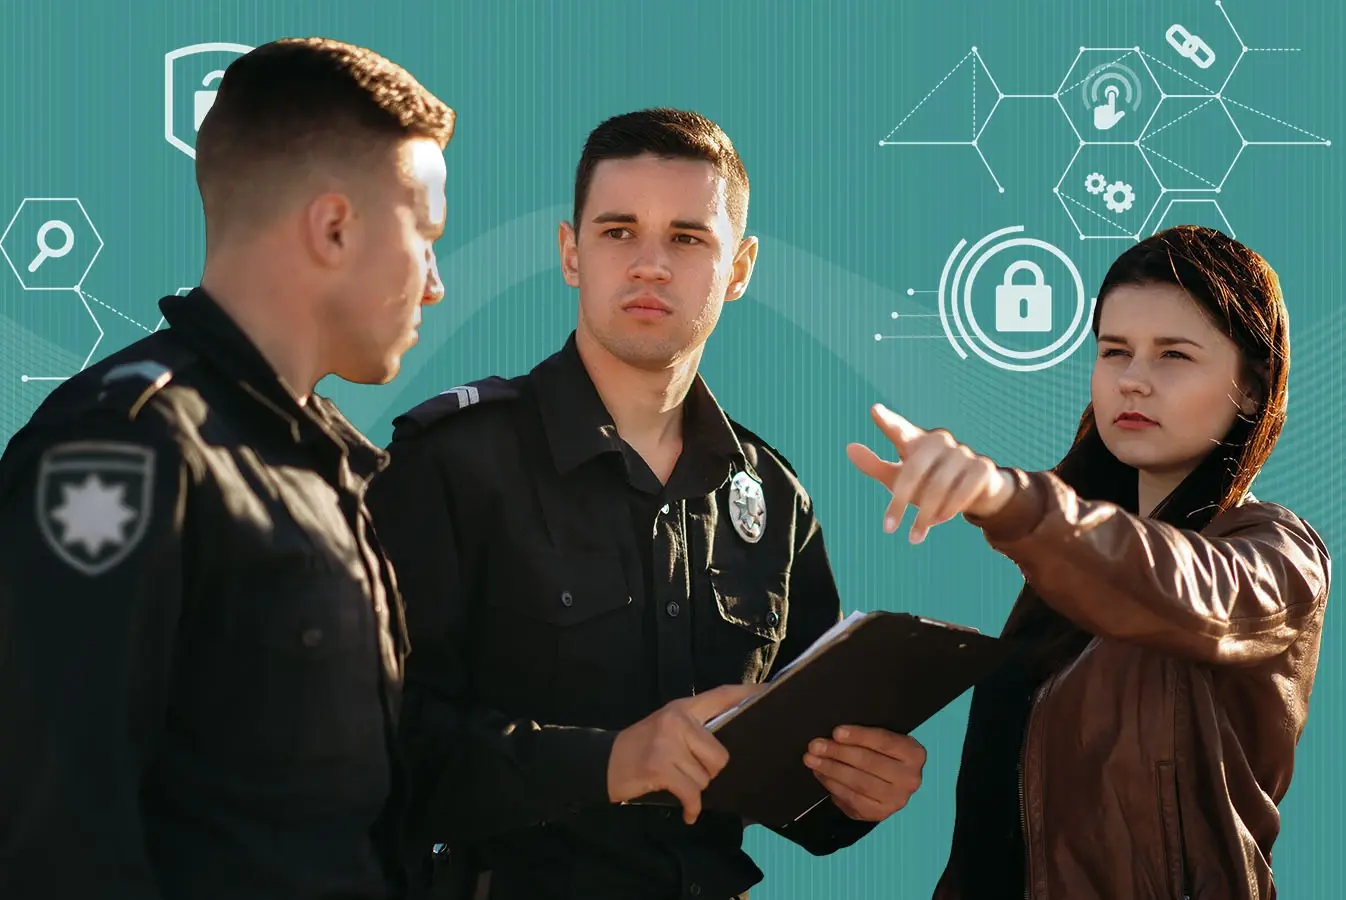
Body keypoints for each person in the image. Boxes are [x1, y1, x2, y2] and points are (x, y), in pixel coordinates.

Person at [366, 108, 925, 900]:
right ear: (571, 252)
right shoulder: (454, 463)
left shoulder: (770, 493)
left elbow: (795, 762)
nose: (651, 265)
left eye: (689, 238)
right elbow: (373, 752)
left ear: (740, 268)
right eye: (619, 231)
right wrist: (614, 761)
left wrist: (855, 793)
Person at [0, 38, 455, 900]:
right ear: (334, 228)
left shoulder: (319, 465)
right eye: (426, 234)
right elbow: (51, 835)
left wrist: (615, 756)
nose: (434, 282)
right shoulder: (125, 447)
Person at [846, 226, 1331, 899]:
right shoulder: (1057, 582)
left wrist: (1003, 495)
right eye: (1115, 351)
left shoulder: (1278, 556)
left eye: (1174, 355)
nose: (1133, 380)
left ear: (1250, 388)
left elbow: (1179, 583)